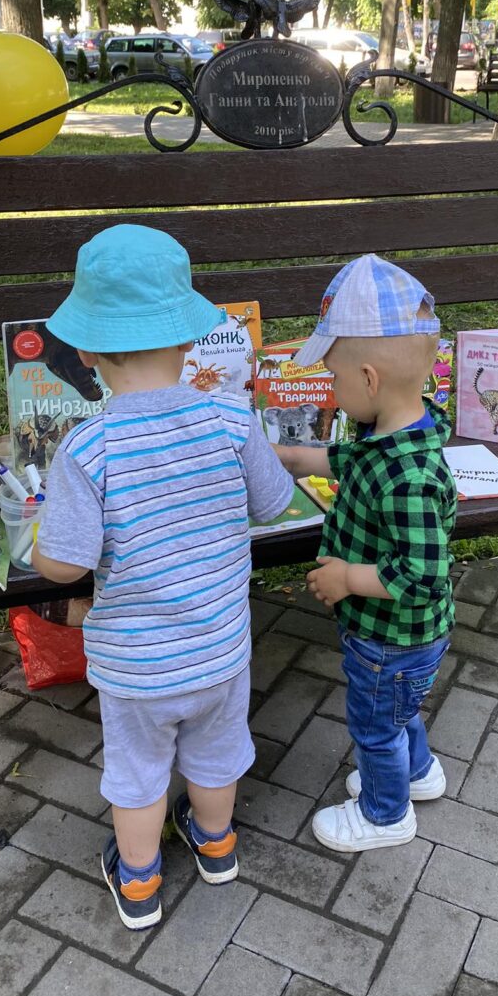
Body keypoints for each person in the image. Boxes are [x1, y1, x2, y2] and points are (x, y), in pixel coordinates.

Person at [32, 225, 293, 930]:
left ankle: (140, 880)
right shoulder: (232, 417)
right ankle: (216, 845)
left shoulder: (88, 447)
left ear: (87, 352)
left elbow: (66, 564)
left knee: (139, 774)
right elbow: (274, 503)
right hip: (219, 650)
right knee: (215, 756)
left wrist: (39, 549)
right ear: (187, 340)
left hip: (137, 667)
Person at [274, 254, 456, 852]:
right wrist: (289, 457)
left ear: (370, 380)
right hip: (392, 640)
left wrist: (349, 578)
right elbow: (345, 461)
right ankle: (419, 773)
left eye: (334, 379)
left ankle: (385, 814)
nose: (330, 391)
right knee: (398, 712)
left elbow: (422, 576)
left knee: (375, 726)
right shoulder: (389, 437)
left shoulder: (408, 477)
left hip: (391, 640)